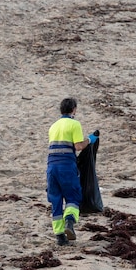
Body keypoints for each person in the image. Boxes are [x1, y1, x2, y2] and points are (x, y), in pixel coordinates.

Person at [47, 98, 98, 246]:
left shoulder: (53, 126)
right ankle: (69, 222)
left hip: (51, 167)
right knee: (73, 197)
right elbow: (78, 147)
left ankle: (60, 237)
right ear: (74, 109)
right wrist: (90, 139)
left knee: (55, 200)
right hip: (67, 166)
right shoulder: (74, 124)